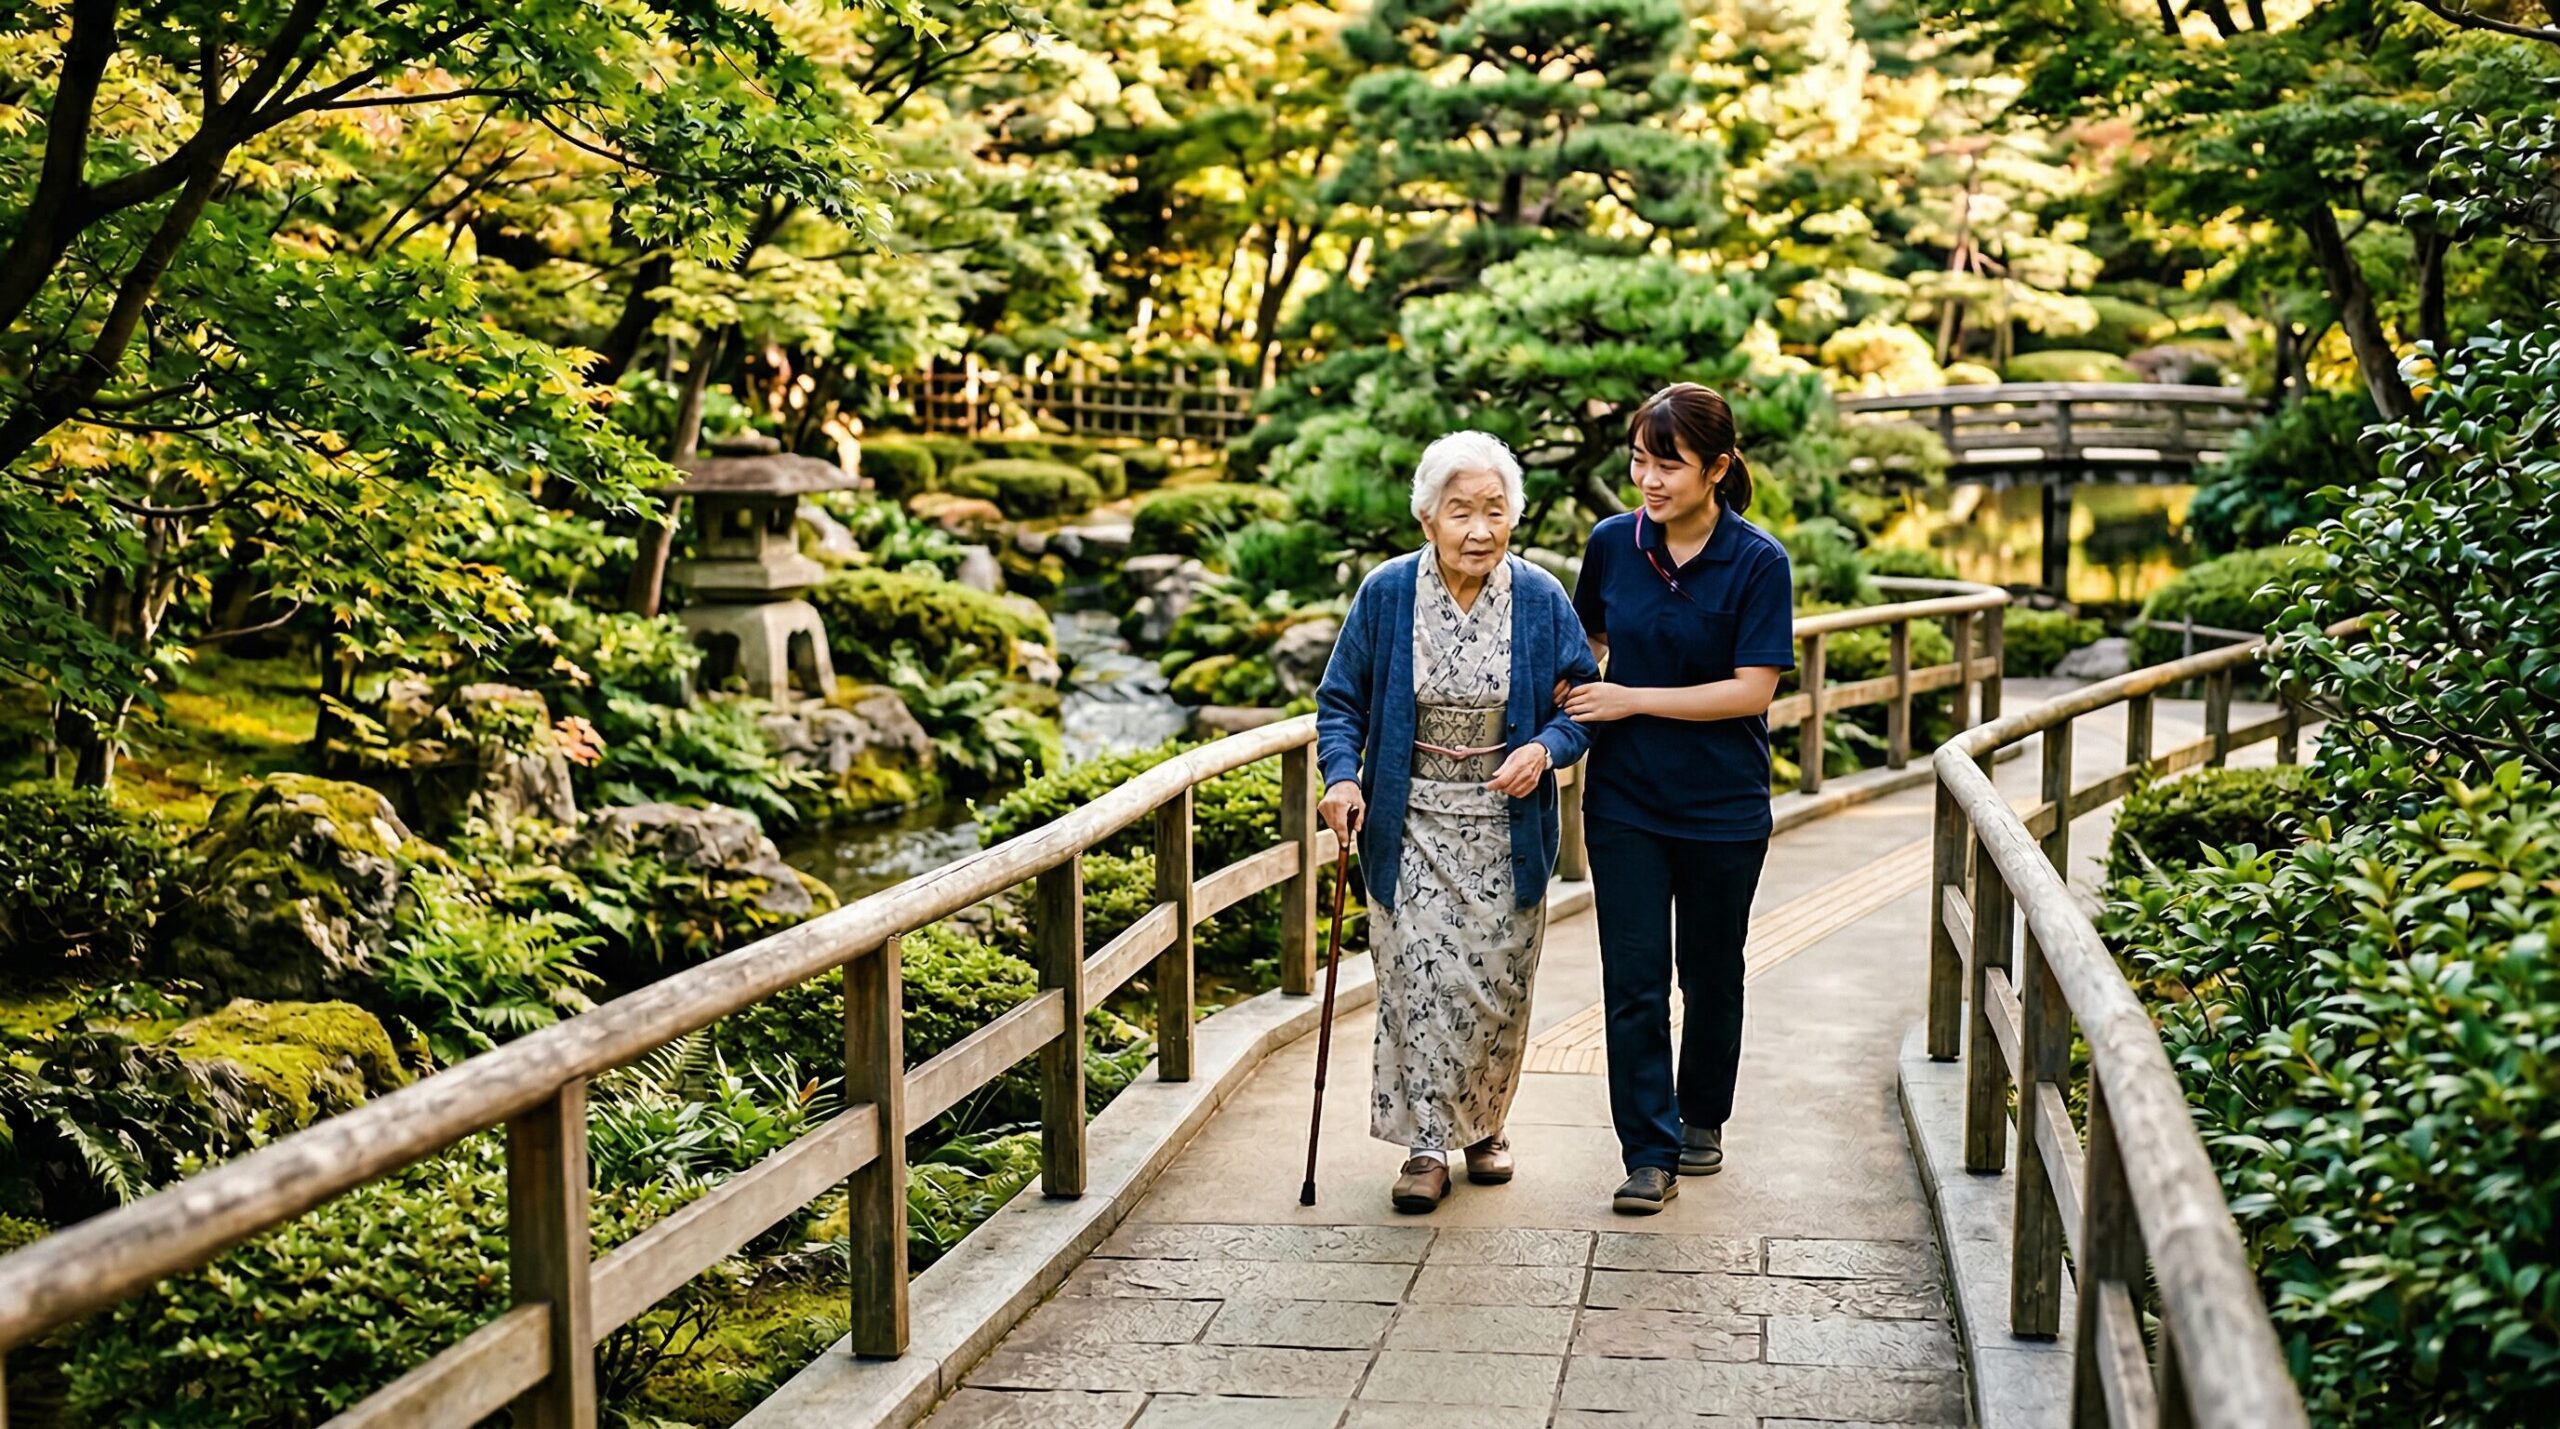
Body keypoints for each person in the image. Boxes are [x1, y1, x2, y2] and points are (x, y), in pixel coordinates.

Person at [1313, 431, 1601, 1214]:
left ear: (1514, 517)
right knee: (1416, 982)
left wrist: (1544, 749)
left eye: (1494, 511)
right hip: (1407, 826)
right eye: (1460, 511)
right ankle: (1426, 1144)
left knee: (1496, 988)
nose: (1479, 529)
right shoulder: (1385, 593)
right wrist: (1341, 775)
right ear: (1426, 518)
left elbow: (1582, 701)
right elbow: (1340, 702)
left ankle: (1486, 1126)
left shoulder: (1541, 597)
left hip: (1506, 828)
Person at [1564, 383, 1796, 1216]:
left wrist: (1630, 697)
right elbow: (1585, 637)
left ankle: (1703, 1115)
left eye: (1669, 463)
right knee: (1632, 979)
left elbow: (1750, 690)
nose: (1649, 479)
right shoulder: (1612, 544)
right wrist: (1571, 693)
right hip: (1624, 798)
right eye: (1638, 461)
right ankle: (1648, 1151)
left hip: (1724, 805)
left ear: (1719, 468)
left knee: (1710, 972)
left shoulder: (1760, 561)